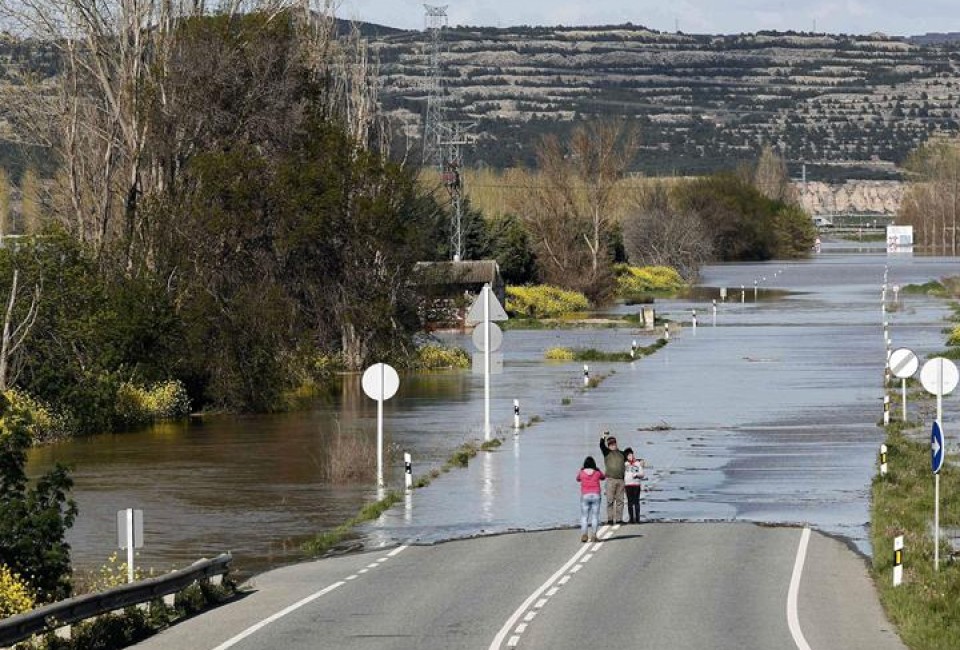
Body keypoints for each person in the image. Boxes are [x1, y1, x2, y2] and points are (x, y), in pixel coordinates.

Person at [576, 456, 605, 543]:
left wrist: (581, 470)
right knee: (595, 516)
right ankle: (594, 536)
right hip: (596, 495)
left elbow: (577, 479)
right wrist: (598, 470)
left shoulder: (582, 472)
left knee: (584, 516)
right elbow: (603, 477)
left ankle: (584, 535)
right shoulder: (597, 472)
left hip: (585, 495)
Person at [599, 431, 625, 524]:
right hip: (610, 480)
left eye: (614, 443)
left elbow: (630, 459)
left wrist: (639, 462)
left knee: (620, 501)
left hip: (621, 480)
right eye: (610, 444)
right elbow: (601, 445)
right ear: (608, 445)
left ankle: (619, 519)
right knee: (610, 500)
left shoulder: (622, 453)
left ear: (616, 444)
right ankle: (610, 520)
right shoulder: (606, 453)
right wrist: (603, 436)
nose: (612, 445)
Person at [623, 447, 645, 524]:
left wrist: (637, 475)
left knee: (636, 502)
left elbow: (642, 474)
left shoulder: (638, 463)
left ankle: (638, 519)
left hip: (636, 485)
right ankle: (631, 519)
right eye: (628, 455)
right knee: (629, 502)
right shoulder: (625, 464)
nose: (630, 456)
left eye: (631, 455)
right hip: (628, 485)